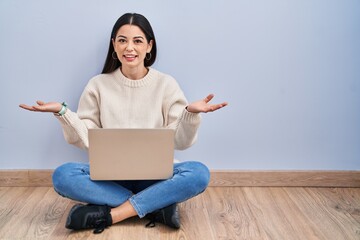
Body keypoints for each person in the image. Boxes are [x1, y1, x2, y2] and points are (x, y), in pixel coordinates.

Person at [19, 13, 228, 234]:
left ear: (149, 46)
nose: (129, 48)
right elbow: (86, 138)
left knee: (199, 172)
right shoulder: (98, 85)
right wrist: (63, 112)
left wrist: (189, 114)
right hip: (110, 179)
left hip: (156, 178)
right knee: (62, 175)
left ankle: (113, 214)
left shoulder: (166, 84)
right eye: (122, 40)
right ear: (114, 45)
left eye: (137, 41)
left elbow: (182, 142)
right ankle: (156, 207)